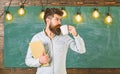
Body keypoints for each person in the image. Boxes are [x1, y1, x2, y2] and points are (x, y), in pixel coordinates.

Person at [25, 8, 86, 74]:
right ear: (48, 21)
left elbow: (81, 50)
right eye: (57, 19)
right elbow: (28, 60)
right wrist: (39, 61)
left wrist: (75, 34)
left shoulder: (64, 37)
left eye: (60, 20)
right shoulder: (37, 38)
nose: (60, 22)